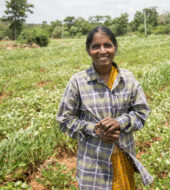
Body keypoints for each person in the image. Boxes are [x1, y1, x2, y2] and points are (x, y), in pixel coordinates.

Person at [56, 26, 153, 190]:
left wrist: (120, 123)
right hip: (93, 164)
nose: (102, 51)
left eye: (107, 45)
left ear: (115, 47)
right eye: (96, 46)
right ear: (88, 50)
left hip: (123, 158)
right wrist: (94, 129)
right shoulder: (78, 81)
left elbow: (142, 112)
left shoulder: (127, 79)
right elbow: (64, 120)